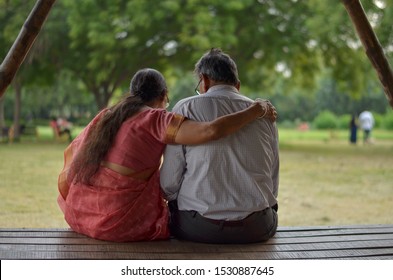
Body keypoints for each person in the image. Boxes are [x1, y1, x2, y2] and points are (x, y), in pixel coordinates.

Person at [57, 68, 275, 242]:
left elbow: (76, 162)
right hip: (118, 222)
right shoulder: (155, 119)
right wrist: (256, 110)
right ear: (163, 96)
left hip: (83, 213)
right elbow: (210, 131)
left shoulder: (108, 115)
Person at [160, 48, 279, 244]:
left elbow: (168, 183)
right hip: (257, 228)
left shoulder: (185, 108)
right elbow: (272, 183)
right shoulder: (265, 115)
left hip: (198, 226)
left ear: (204, 80)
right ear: (237, 86)